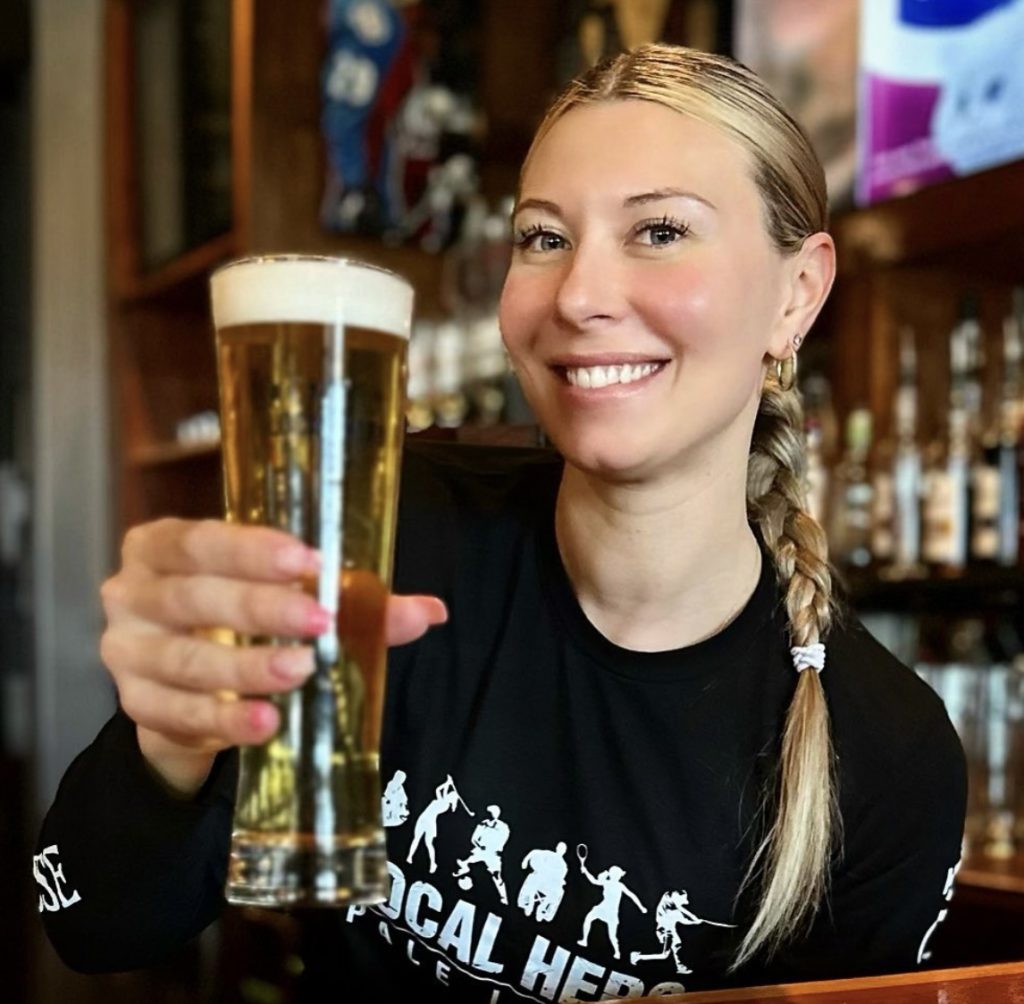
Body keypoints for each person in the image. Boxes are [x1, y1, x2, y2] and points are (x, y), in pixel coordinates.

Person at [35, 43, 966, 1001]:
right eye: (544, 238)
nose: (579, 297)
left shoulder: (887, 752)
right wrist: (169, 742)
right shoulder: (386, 532)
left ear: (798, 293)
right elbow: (95, 925)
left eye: (659, 231)